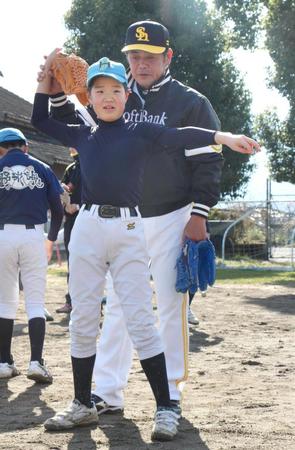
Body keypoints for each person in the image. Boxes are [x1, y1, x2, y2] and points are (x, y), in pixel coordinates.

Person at [31, 50, 259, 438]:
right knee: (84, 317)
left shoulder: (139, 131)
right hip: (86, 227)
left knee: (138, 317)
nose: (106, 97)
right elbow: (40, 118)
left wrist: (224, 136)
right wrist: (45, 84)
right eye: (98, 90)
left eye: (115, 90)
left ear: (126, 96)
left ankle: (166, 405)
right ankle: (83, 403)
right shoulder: (83, 132)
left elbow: (182, 135)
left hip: (128, 228)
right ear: (90, 96)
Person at [0, 127, 63, 383]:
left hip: (3, 235)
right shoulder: (42, 167)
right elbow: (58, 210)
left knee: (5, 301)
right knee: (35, 302)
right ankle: (36, 361)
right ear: (25, 146)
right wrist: (50, 239)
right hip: (33, 235)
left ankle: (4, 362)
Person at [56, 147, 82, 314]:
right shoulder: (71, 168)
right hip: (71, 220)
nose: (71, 147)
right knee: (72, 261)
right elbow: (64, 190)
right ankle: (71, 300)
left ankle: (92, 303)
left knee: (91, 261)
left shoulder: (91, 164)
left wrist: (78, 205)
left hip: (88, 217)